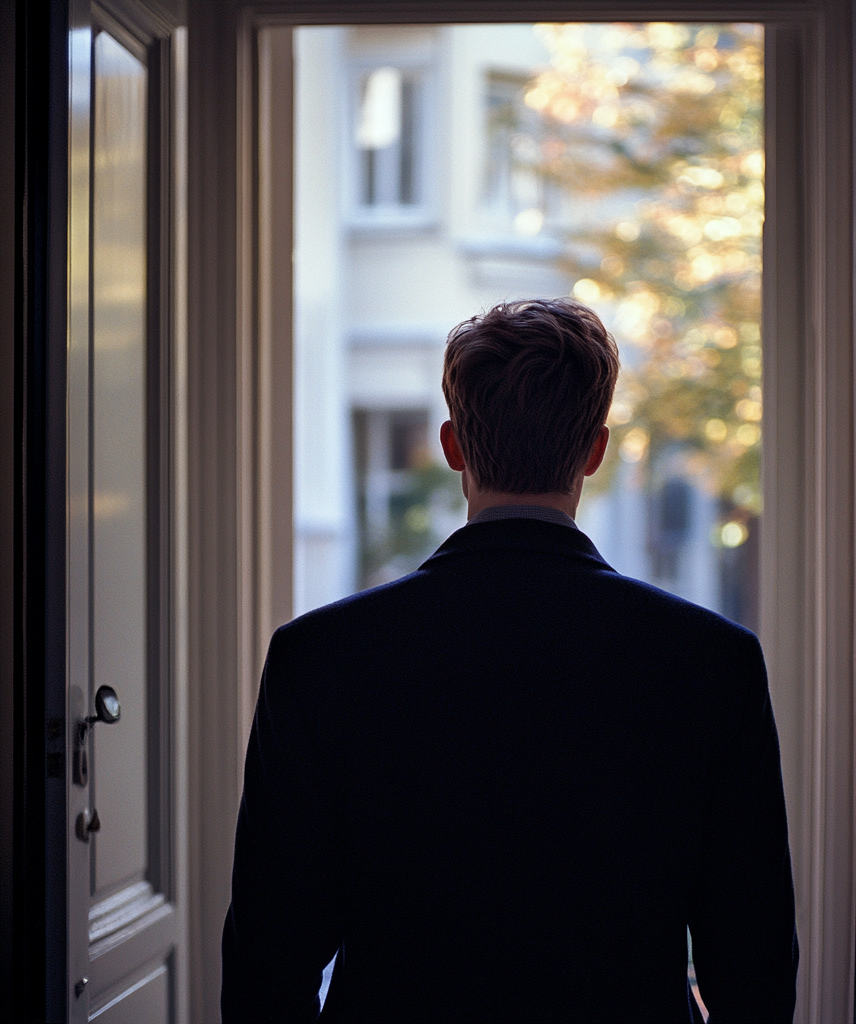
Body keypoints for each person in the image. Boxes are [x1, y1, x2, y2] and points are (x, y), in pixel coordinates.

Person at [221, 298, 798, 1023]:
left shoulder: (321, 659)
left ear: (453, 445)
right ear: (595, 449)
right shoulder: (713, 663)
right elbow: (754, 964)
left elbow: (267, 962)